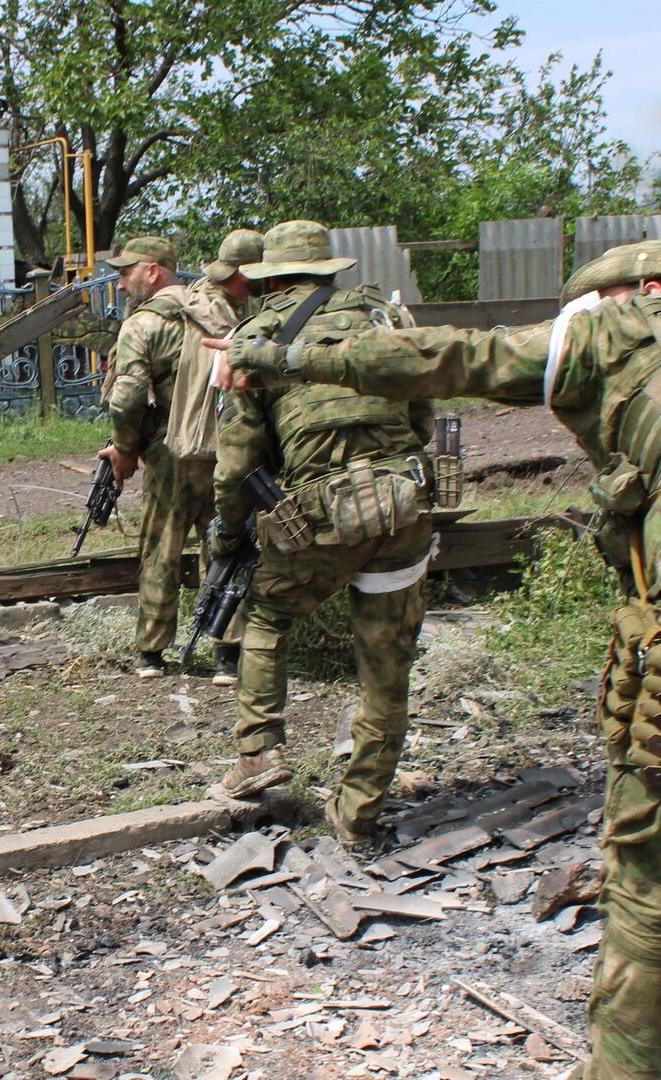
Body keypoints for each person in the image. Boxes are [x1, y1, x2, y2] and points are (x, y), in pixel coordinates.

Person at [221, 239, 661, 1079]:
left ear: (647, 288)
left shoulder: (628, 326)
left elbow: (452, 356)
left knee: (655, 876)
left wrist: (287, 354)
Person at [209, 220, 437, 852]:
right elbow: (421, 416)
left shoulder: (255, 337)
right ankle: (360, 810)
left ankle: (260, 751)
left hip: (317, 515)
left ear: (270, 278)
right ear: (332, 272)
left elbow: (237, 462)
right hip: (400, 507)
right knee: (386, 664)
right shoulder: (388, 319)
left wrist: (229, 536)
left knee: (269, 618)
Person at [99, 232, 258, 682]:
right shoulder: (217, 308)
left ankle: (152, 653)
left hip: (170, 450)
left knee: (161, 547)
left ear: (153, 271)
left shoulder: (143, 324)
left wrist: (125, 450)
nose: (120, 283)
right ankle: (229, 653)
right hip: (225, 445)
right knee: (225, 542)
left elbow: (127, 398)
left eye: (126, 273)